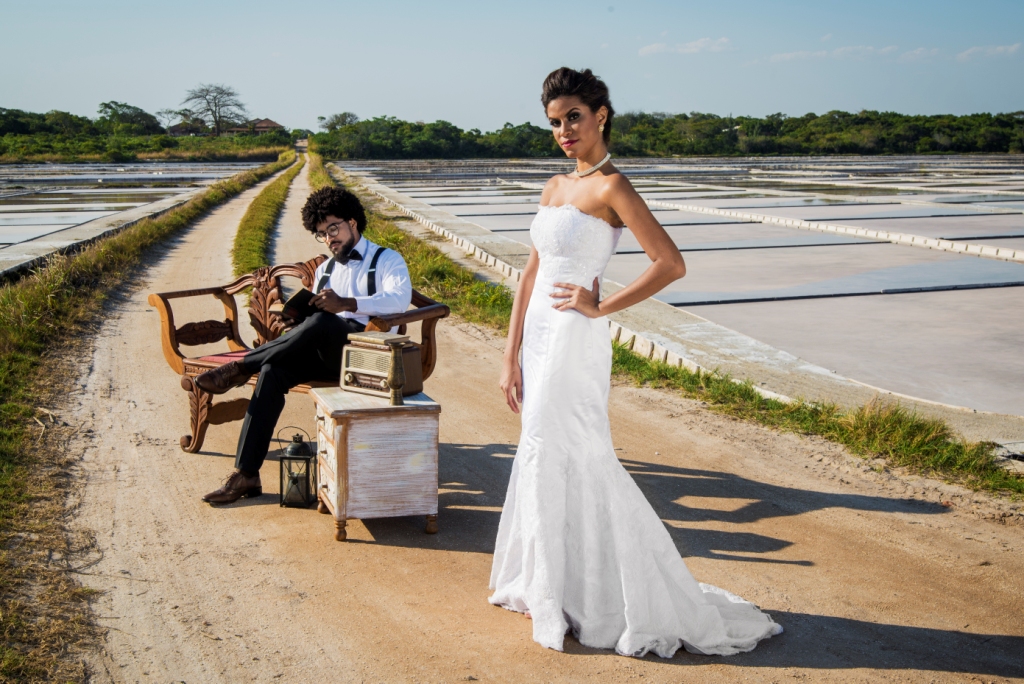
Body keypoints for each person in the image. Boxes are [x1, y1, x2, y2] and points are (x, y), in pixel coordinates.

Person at [490, 67, 782, 658]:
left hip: (574, 338)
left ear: (600, 115)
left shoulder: (613, 187)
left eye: (574, 117)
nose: (564, 131)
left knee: (573, 450)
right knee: (543, 448)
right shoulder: (553, 186)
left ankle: (598, 596)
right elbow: (530, 274)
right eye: (555, 122)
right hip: (539, 336)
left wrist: (600, 307)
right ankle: (553, 584)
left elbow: (669, 262)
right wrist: (509, 354)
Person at [198, 186, 412, 505]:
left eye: (332, 229)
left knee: (324, 321)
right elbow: (317, 317)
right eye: (321, 234)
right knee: (272, 371)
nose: (328, 239)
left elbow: (399, 299)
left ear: (353, 222)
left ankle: (242, 366)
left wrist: (347, 303)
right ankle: (246, 474)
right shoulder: (325, 270)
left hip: (369, 357)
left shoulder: (387, 259)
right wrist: (296, 322)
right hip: (326, 351)